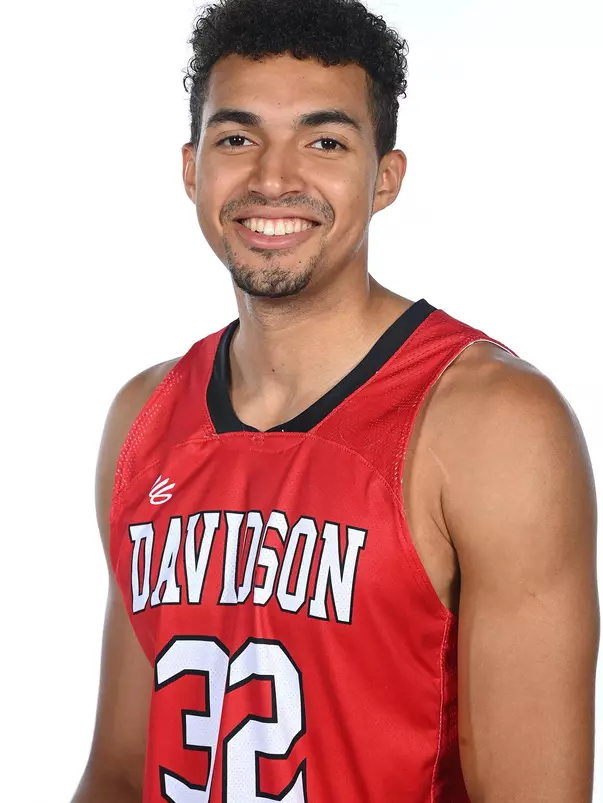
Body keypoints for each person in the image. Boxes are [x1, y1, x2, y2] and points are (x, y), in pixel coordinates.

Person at [72, 1, 599, 801]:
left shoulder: (493, 423)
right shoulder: (142, 418)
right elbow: (117, 773)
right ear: (191, 168)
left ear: (384, 177)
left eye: (324, 142)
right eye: (237, 138)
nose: (273, 178)